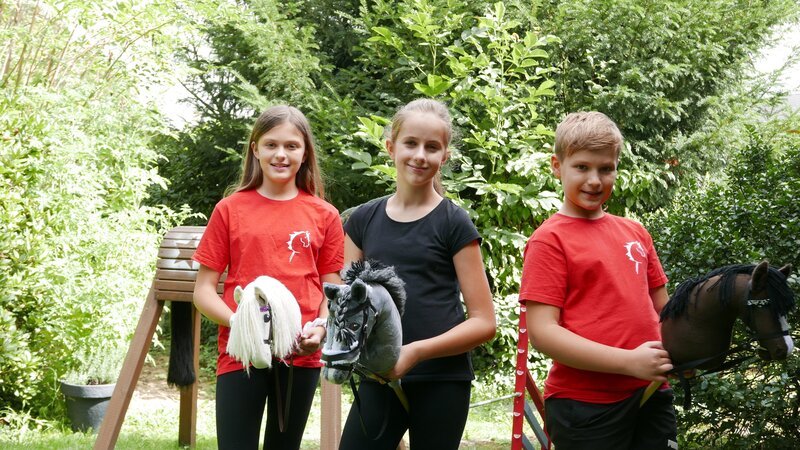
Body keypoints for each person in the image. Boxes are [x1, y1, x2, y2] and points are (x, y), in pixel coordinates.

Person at [338, 98, 497, 450]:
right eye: (411, 143)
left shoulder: (454, 223)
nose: (420, 156)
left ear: (445, 156)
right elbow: (347, 304)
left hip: (443, 381)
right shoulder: (362, 220)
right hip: (379, 379)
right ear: (391, 148)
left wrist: (416, 352)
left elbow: (484, 322)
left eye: (432, 147)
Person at [519, 111, 678, 450]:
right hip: (585, 405)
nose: (595, 180)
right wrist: (628, 362)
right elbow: (543, 333)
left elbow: (665, 311)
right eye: (582, 167)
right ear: (557, 166)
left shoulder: (635, 232)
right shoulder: (549, 240)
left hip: (651, 394)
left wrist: (684, 350)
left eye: (606, 169)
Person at [192, 105, 344, 450]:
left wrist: (320, 329)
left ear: (305, 154)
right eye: (271, 144)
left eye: (292, 146)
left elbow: (331, 291)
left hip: (299, 354)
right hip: (240, 353)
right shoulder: (229, 209)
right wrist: (241, 323)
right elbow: (203, 290)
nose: (281, 154)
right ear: (255, 149)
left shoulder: (324, 215)